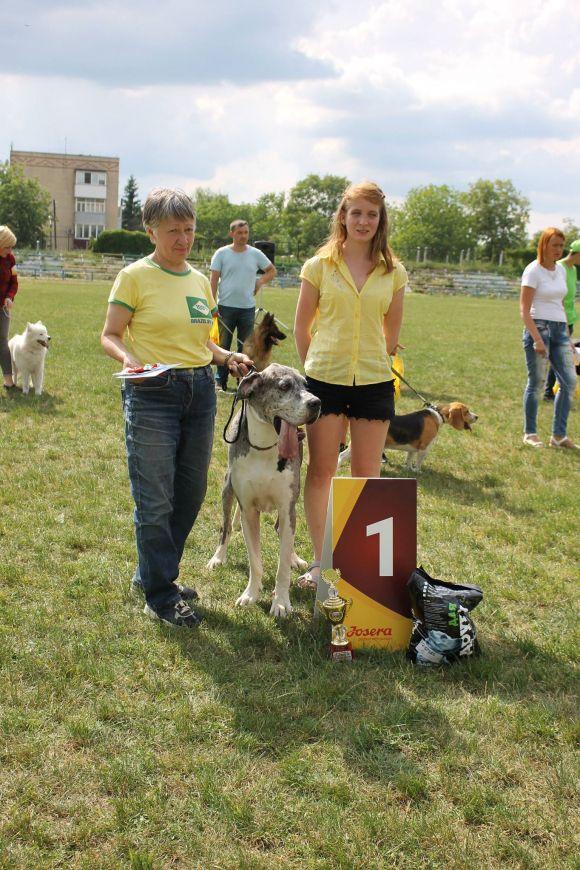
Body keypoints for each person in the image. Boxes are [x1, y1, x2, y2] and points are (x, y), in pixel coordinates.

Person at [101, 188, 253, 628]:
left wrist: (226, 358)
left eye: (189, 230)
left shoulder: (199, 281)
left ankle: (153, 573)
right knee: (155, 497)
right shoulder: (133, 276)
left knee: (189, 494)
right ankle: (161, 593)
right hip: (153, 392)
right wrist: (127, 358)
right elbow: (110, 333)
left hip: (200, 391)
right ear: (151, 231)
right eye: (173, 231)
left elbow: (201, 340)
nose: (184, 239)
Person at [294, 181, 407, 588]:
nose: (363, 221)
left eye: (371, 214)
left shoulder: (394, 272)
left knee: (366, 476)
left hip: (375, 383)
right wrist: (318, 365)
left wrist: (373, 354)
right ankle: (323, 563)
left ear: (381, 221)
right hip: (325, 380)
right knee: (322, 471)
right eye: (355, 212)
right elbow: (301, 327)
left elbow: (391, 336)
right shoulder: (318, 266)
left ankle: (360, 564)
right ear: (342, 215)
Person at [520, 227, 578, 449]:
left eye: (561, 246)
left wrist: (566, 336)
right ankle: (530, 433)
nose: (558, 250)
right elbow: (524, 309)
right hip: (538, 327)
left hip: (559, 329)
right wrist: (536, 339)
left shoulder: (561, 270)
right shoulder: (533, 270)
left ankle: (559, 436)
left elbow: (561, 304)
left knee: (569, 381)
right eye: (554, 245)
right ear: (543, 245)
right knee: (536, 383)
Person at [210, 219, 276, 391]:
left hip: (247, 308)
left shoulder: (255, 254)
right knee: (223, 346)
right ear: (232, 234)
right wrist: (211, 303)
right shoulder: (221, 253)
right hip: (224, 307)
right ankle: (219, 381)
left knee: (245, 347)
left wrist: (260, 282)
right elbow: (214, 279)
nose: (243, 236)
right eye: (239, 233)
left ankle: (243, 381)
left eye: (246, 232)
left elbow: (271, 270)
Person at [543, 238, 580, 400]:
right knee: (559, 356)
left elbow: (570, 297)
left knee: (563, 355)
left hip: (569, 319)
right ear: (577, 253)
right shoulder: (560, 268)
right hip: (557, 319)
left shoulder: (573, 270)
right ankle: (548, 391)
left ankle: (553, 390)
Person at [0, 225, 18, 390]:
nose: (10, 250)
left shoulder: (10, 259)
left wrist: (9, 296)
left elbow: (14, 281)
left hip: (3, 308)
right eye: (8, 246)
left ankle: (9, 381)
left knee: (3, 342)